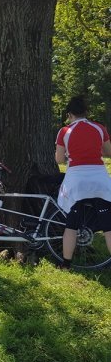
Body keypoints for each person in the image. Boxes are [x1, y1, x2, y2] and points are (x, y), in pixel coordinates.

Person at [55, 95, 111, 269]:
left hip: (76, 181)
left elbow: (59, 160)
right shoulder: (99, 128)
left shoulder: (64, 131)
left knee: (71, 225)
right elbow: (109, 152)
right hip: (99, 180)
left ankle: (66, 263)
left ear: (70, 113)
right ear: (86, 112)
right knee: (108, 226)